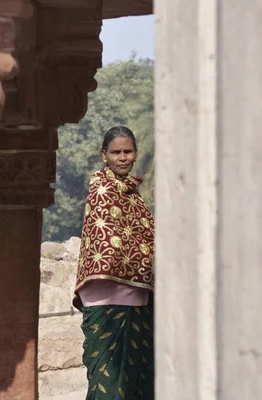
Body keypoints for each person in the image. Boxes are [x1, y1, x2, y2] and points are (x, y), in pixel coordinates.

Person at [73, 126, 155, 399]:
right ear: (104, 155)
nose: (122, 157)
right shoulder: (102, 191)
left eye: (127, 151)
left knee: (138, 382)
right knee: (108, 385)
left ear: (135, 154)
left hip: (137, 298)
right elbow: (103, 244)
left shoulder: (134, 196)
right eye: (116, 152)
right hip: (107, 300)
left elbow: (145, 243)